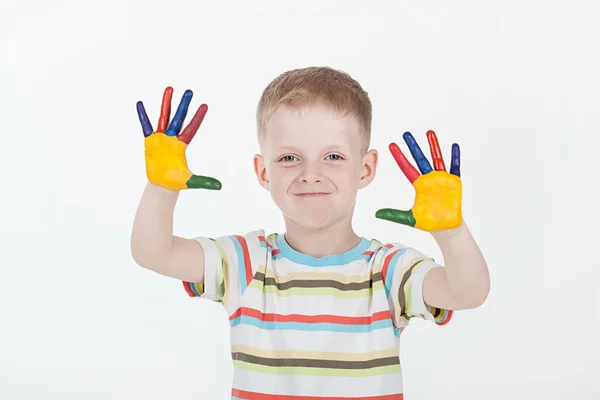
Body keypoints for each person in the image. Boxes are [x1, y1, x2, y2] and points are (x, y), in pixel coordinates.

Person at [130, 66, 490, 399]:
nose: (311, 173)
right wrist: (161, 188)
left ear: (365, 170)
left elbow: (468, 291)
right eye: (289, 158)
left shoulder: (389, 270)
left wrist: (451, 231)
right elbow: (153, 253)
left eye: (333, 157)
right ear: (264, 172)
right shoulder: (243, 262)